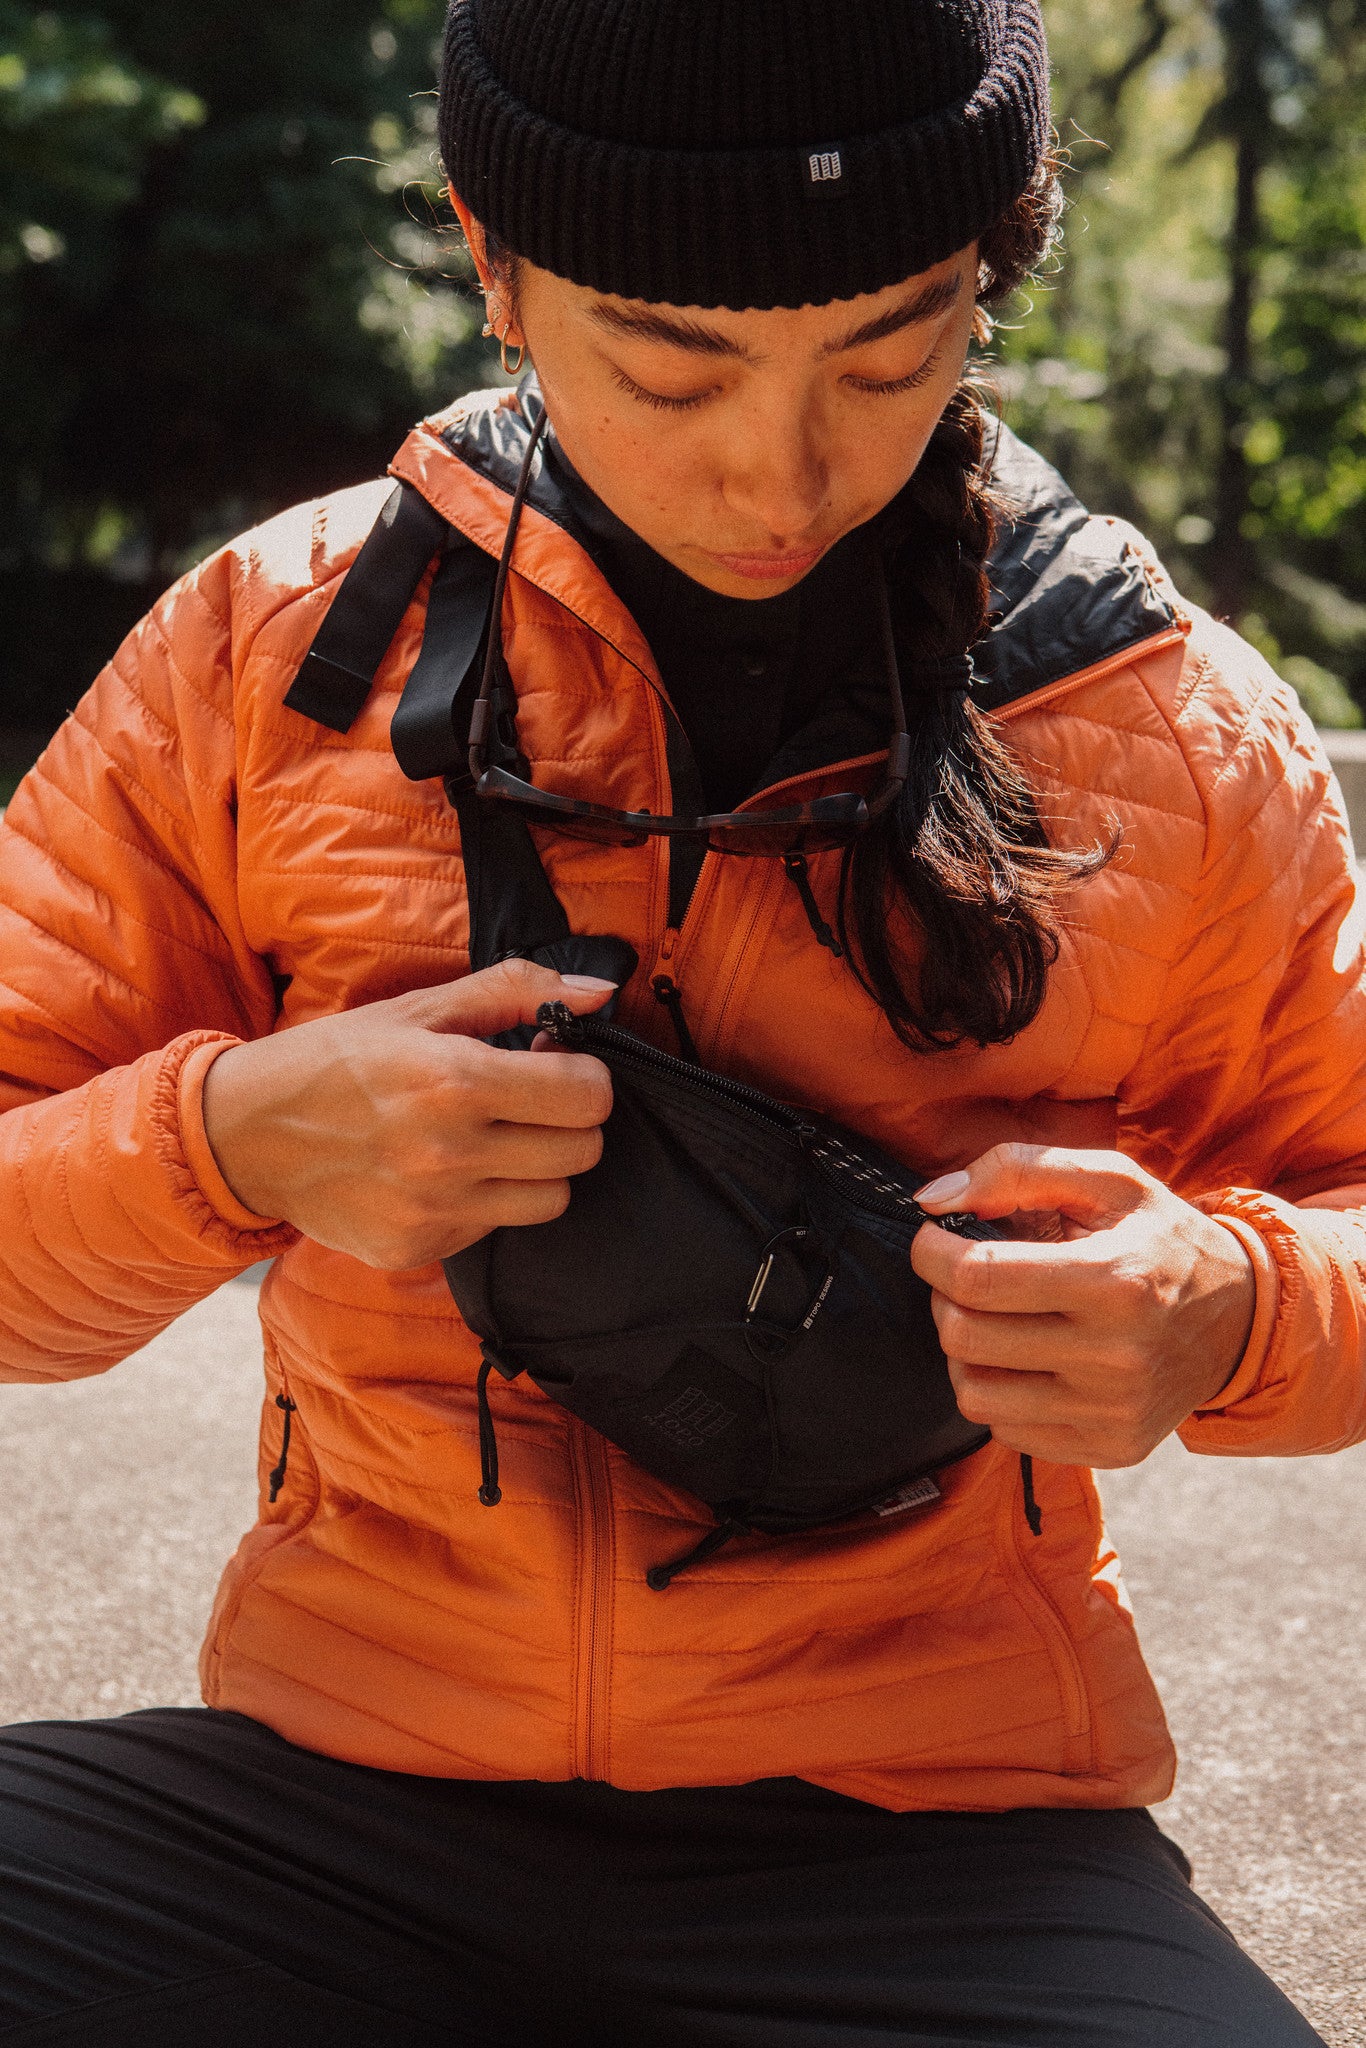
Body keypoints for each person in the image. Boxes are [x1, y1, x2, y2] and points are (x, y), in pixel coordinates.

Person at [0, 0, 1356, 2040]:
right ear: (491, 262)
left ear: (992, 270)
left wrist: (1227, 1306)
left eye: (892, 347)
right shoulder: (267, 659)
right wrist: (216, 1143)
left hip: (941, 1841)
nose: (777, 466)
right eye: (668, 358)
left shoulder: (1175, 729)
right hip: (323, 1810)